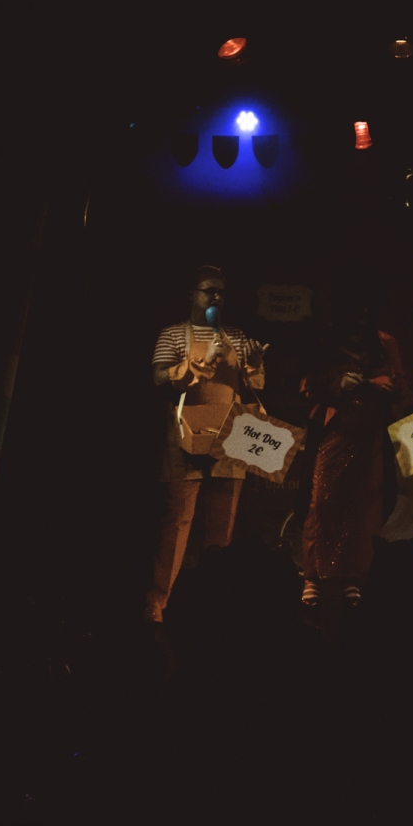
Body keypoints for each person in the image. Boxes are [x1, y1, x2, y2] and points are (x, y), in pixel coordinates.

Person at [145, 264, 267, 623]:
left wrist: (255, 363)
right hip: (188, 434)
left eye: (220, 292)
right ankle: (158, 602)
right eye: (208, 290)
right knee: (177, 522)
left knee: (222, 525)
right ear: (191, 295)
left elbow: (254, 386)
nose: (215, 297)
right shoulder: (173, 333)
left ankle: (213, 607)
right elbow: (158, 376)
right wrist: (197, 362)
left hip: (230, 434)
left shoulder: (236, 335)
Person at [298, 297, 406, 610]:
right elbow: (305, 384)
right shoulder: (327, 340)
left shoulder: (384, 342)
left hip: (371, 435)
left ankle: (352, 576)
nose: (362, 317)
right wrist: (338, 384)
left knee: (364, 507)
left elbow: (401, 384)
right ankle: (312, 574)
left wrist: (388, 387)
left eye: (367, 311)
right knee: (322, 503)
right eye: (356, 310)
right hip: (333, 433)